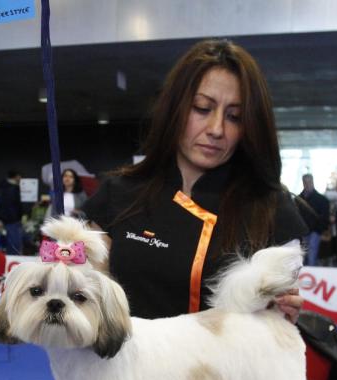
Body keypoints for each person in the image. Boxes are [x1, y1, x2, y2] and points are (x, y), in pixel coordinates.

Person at [81, 39, 307, 322]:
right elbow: (85, 303)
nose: (216, 129)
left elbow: (280, 321)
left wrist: (285, 311)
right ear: (175, 108)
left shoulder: (272, 209)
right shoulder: (117, 195)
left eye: (234, 117)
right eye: (202, 108)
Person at [299, 173, 330, 266]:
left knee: (312, 254)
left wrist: (320, 229)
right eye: (305, 182)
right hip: (303, 231)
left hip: (315, 231)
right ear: (303, 183)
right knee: (303, 255)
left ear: (312, 182)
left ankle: (312, 274)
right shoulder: (298, 199)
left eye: (309, 182)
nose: (307, 184)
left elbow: (325, 216)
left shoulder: (322, 200)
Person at [0, 170, 24, 255]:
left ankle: (12, 262)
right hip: (12, 220)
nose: (20, 178)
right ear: (16, 176)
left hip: (9, 220)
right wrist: (18, 217)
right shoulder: (12, 188)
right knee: (15, 245)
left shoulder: (5, 187)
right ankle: (14, 264)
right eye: (20, 176)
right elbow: (13, 205)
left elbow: (0, 204)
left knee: (12, 244)